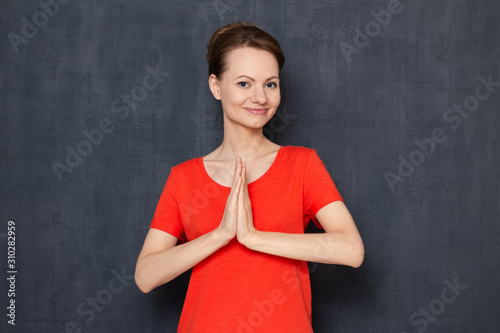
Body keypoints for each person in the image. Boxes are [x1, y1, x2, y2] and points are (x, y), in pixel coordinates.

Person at [135, 21, 364, 332]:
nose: (260, 98)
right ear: (216, 86)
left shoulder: (302, 164)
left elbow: (351, 250)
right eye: (244, 83)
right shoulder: (184, 178)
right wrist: (220, 234)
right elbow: (146, 276)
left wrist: (253, 237)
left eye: (270, 84)